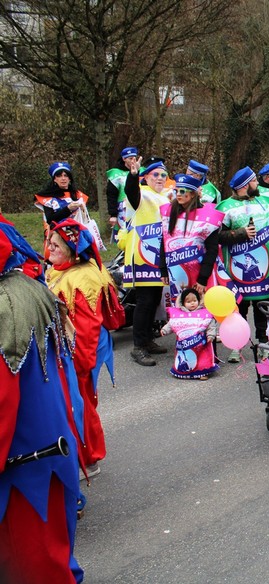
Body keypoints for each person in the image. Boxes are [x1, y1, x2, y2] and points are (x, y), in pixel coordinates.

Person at [0, 215, 84, 583]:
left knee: (32, 564)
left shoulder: (5, 305)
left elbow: (3, 399)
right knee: (53, 553)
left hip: (21, 466)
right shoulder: (29, 287)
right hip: (50, 444)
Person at [46, 219, 125, 479]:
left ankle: (89, 459)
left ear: (71, 249)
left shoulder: (82, 278)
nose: (50, 248)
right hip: (68, 348)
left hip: (81, 349)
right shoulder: (60, 269)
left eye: (56, 245)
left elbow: (87, 327)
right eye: (50, 243)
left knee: (80, 403)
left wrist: (80, 364)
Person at [217, 166, 269, 361]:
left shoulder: (265, 204)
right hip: (237, 269)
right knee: (239, 308)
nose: (257, 184)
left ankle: (263, 342)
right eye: (254, 181)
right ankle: (236, 344)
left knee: (262, 307)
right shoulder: (225, 207)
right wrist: (240, 234)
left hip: (264, 267)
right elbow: (217, 236)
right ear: (244, 186)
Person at [122, 156, 174, 366]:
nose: (160, 178)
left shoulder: (165, 197)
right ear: (146, 177)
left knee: (154, 300)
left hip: (159, 257)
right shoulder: (141, 193)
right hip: (142, 256)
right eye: (156, 174)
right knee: (144, 301)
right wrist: (133, 175)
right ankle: (138, 346)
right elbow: (131, 192)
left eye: (164, 175)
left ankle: (147, 339)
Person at [158, 174, 226, 301]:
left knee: (201, 307)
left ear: (193, 194)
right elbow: (164, 242)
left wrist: (203, 279)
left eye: (182, 191)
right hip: (177, 274)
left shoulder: (208, 217)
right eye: (176, 191)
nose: (178, 195)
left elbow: (212, 250)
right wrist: (163, 270)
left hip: (200, 273)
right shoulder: (170, 212)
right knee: (180, 308)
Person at [160, 288, 219, 380]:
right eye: (188, 302)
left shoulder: (205, 313)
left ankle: (202, 372)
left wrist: (211, 335)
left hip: (201, 343)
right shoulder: (178, 315)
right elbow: (171, 324)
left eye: (194, 301)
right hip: (184, 344)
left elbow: (211, 325)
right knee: (184, 358)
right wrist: (165, 330)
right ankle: (184, 372)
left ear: (199, 300)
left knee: (202, 359)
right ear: (183, 303)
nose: (192, 303)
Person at [34, 162, 90, 241]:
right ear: (54, 179)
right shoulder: (48, 197)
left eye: (65, 175)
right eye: (59, 176)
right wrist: (68, 209)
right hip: (57, 236)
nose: (63, 178)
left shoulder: (78, 195)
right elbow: (50, 220)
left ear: (69, 178)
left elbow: (85, 217)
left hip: (79, 235)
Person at [105, 146, 138, 237]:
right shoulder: (116, 174)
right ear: (124, 159)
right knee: (124, 236)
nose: (133, 161)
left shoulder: (141, 171)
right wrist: (113, 214)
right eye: (130, 158)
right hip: (122, 211)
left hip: (138, 208)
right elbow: (111, 195)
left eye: (135, 158)